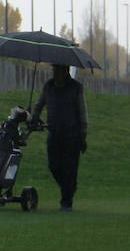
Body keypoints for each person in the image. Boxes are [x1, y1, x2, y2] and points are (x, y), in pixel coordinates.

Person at [30, 63, 88, 211]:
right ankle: (69, 187)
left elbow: (82, 111)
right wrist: (34, 117)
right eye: (54, 69)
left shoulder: (76, 88)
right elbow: (39, 105)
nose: (55, 72)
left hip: (72, 134)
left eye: (57, 69)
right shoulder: (48, 86)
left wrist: (83, 133)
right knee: (54, 166)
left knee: (70, 168)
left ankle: (66, 201)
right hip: (53, 133)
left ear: (66, 70)